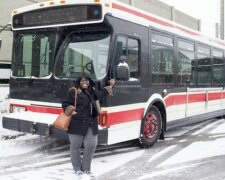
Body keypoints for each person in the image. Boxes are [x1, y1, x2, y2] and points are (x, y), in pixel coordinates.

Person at [62, 73, 114, 177]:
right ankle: (77, 168)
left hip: (91, 123)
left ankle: (86, 168)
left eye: (86, 81)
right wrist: (71, 110)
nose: (84, 82)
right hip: (76, 123)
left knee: (91, 145)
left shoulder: (92, 91)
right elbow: (65, 104)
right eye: (82, 81)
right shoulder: (74, 91)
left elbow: (99, 95)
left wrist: (109, 87)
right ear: (79, 82)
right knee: (75, 146)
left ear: (89, 81)